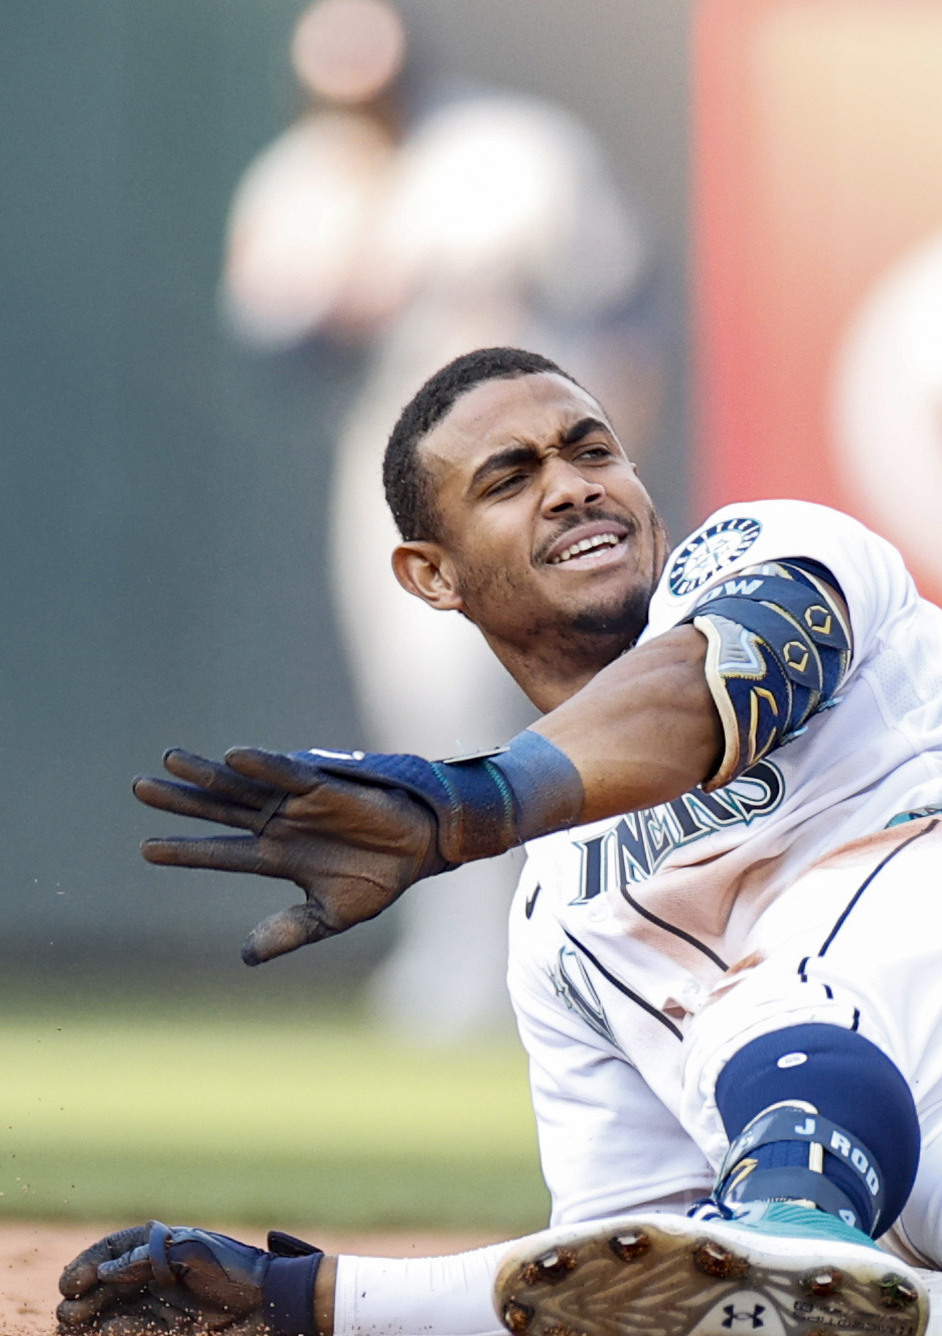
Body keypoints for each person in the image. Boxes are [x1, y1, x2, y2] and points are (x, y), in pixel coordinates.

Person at [61, 347, 942, 1336]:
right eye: (511, 476)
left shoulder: (754, 548)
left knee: (758, 1005)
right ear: (431, 574)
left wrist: (465, 805)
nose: (574, 482)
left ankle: (807, 1219)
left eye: (587, 446)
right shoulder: (559, 929)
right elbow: (639, 1255)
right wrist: (314, 1295)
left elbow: (729, 679)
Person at [223, 0, 661, 1040]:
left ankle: (622, 943)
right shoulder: (301, 182)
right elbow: (274, 341)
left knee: (595, 702)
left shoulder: (514, 151)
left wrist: (620, 457)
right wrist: (350, 290)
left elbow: (623, 299)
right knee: (431, 709)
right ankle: (465, 966)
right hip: (411, 479)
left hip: (553, 466)